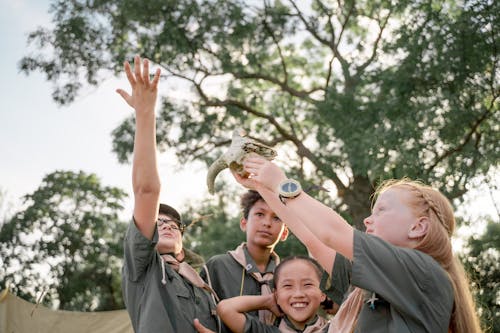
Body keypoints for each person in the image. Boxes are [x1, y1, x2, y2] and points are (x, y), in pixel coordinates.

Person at [232, 155, 482, 333]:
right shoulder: (372, 282)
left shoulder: (425, 273)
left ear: (418, 227)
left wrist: (283, 184)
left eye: (381, 210)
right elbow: (313, 237)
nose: (367, 220)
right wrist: (261, 185)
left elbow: (331, 232)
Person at [118, 55, 219, 332]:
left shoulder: (204, 286)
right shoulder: (143, 270)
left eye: (173, 224)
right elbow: (147, 190)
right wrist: (145, 112)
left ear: (183, 244)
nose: (165, 225)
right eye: (158, 223)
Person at [200, 190, 289, 333]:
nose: (267, 223)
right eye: (260, 214)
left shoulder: (288, 275)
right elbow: (201, 314)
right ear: (243, 223)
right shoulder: (218, 266)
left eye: (276, 218)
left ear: (284, 232)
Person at [217, 256, 330, 333]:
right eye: (288, 286)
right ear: (276, 295)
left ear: (323, 293)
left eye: (307, 285)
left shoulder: (338, 328)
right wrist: (267, 301)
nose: (298, 294)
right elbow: (225, 309)